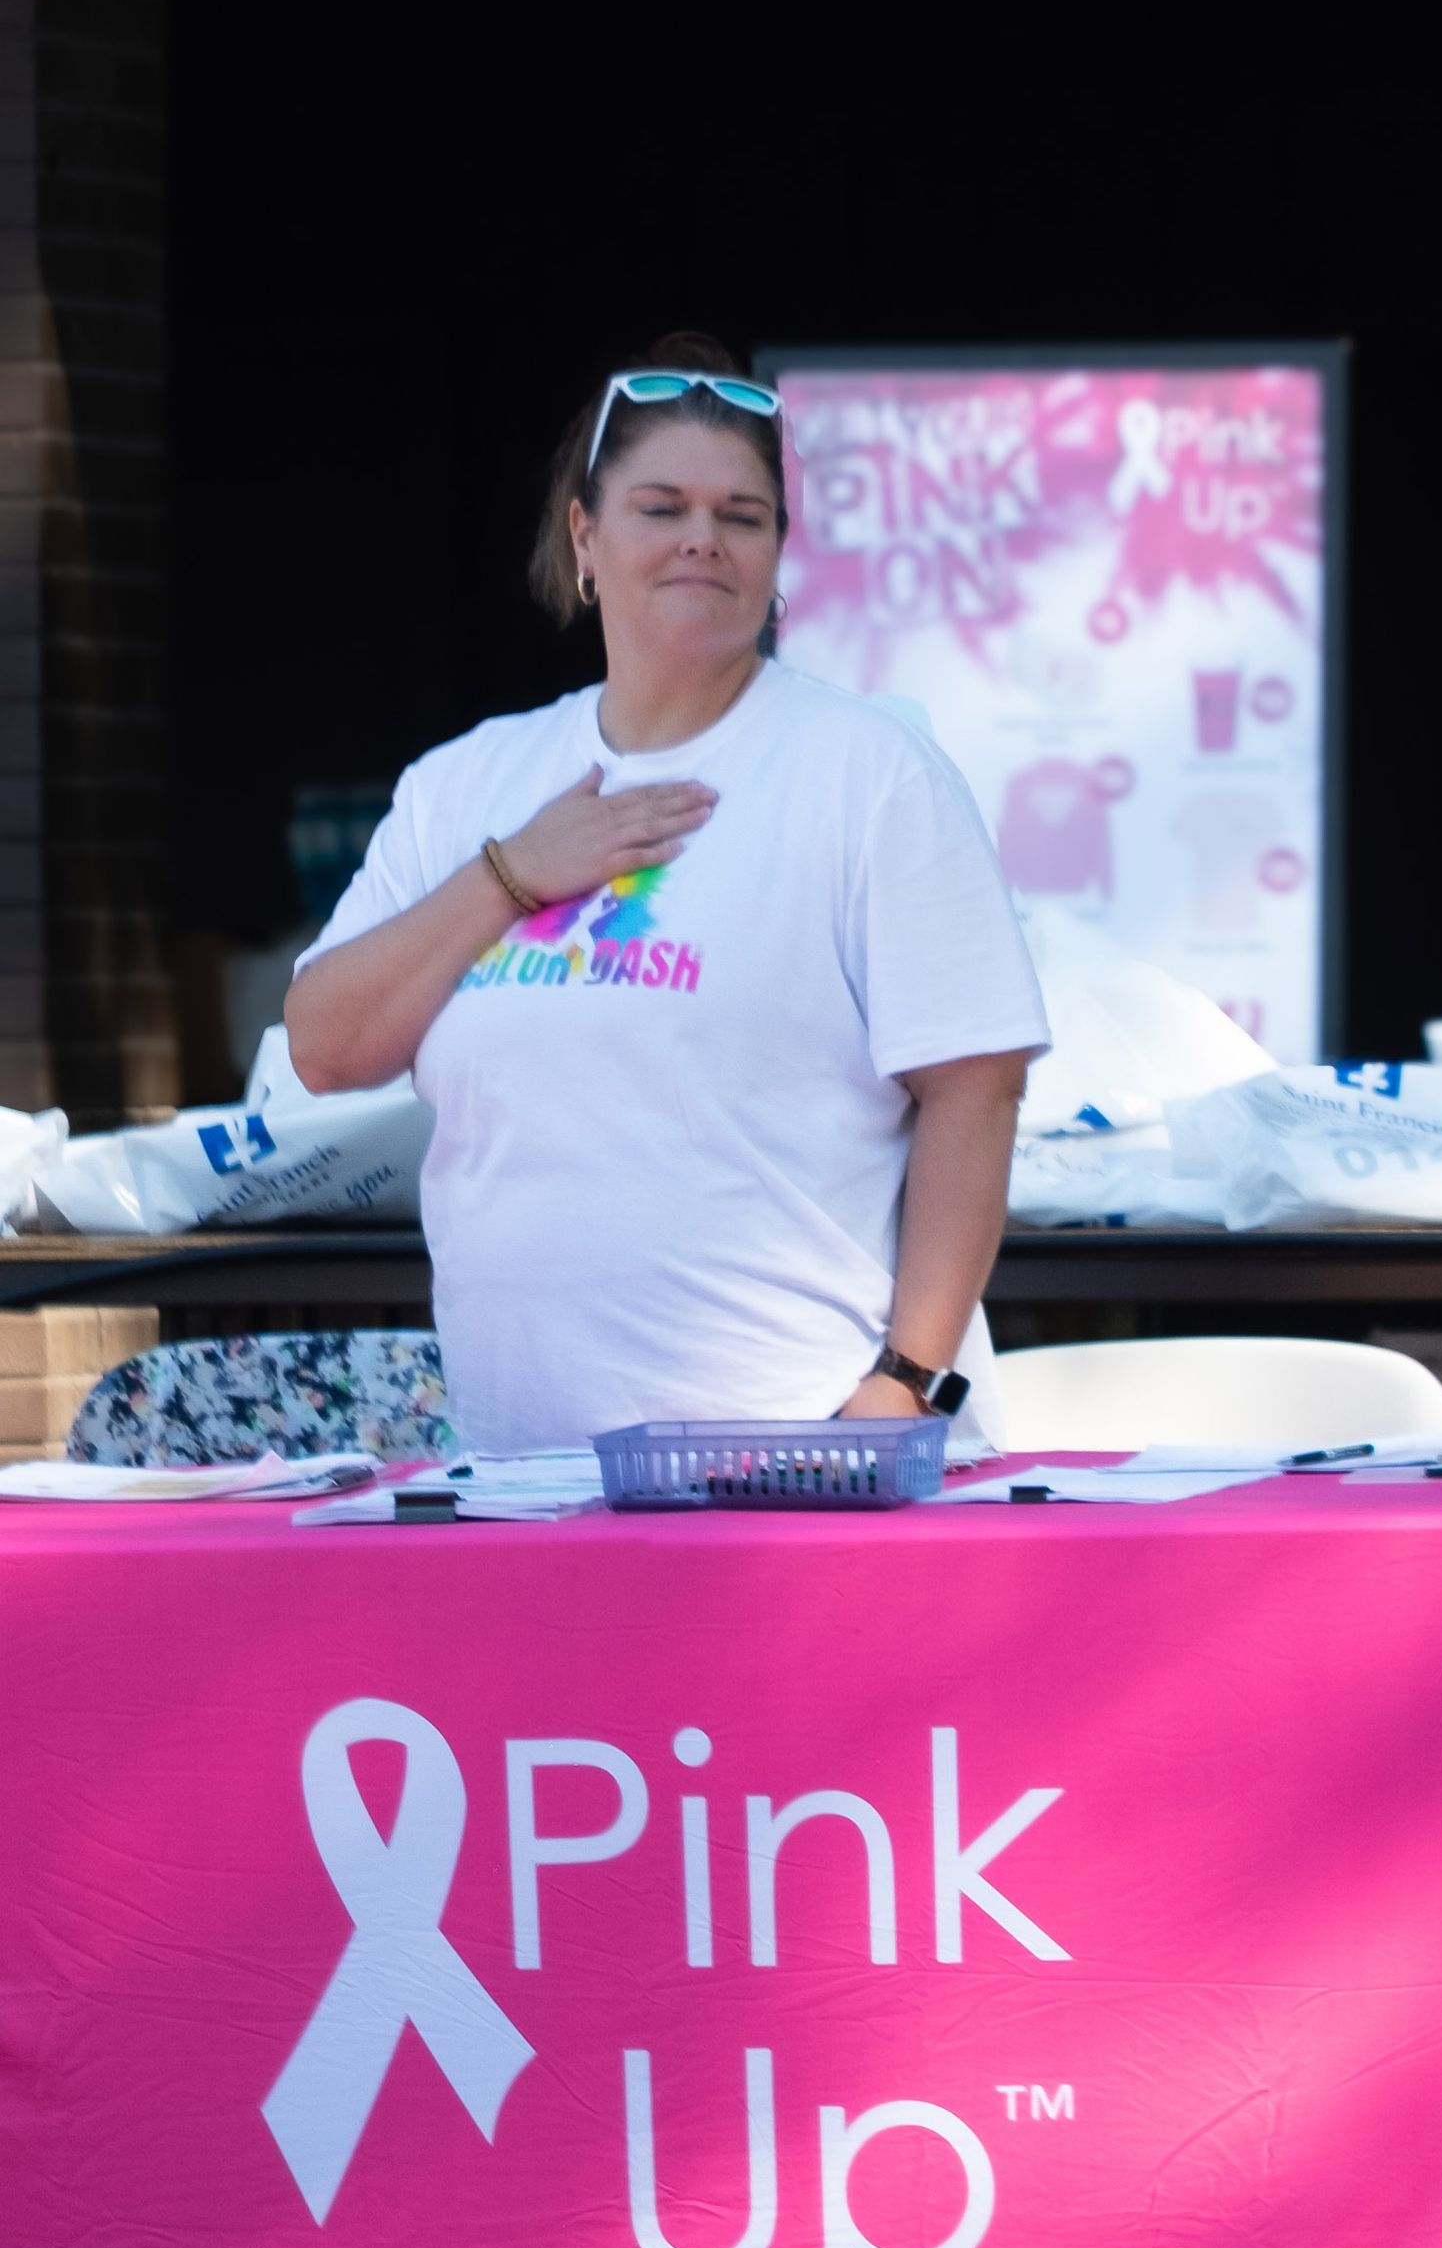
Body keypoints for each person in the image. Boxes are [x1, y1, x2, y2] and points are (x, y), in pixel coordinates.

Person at [286, 335, 1048, 1455]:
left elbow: (974, 1094)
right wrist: (511, 875)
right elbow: (324, 1046)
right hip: (525, 1468)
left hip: (804, 1459)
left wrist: (902, 1389)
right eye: (662, 506)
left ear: (780, 555)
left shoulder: (868, 771)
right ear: (584, 537)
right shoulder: (467, 785)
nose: (704, 537)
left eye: (743, 515)